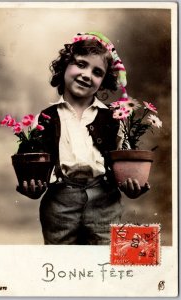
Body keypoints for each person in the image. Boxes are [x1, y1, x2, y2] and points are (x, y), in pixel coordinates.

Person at [17, 32, 150, 245]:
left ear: (103, 81)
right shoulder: (45, 118)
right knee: (62, 261)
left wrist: (133, 185)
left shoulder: (113, 118)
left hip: (104, 203)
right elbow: (33, 163)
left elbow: (126, 159)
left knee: (103, 260)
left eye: (97, 72)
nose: (87, 75)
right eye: (81, 64)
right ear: (65, 67)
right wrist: (32, 185)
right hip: (60, 203)